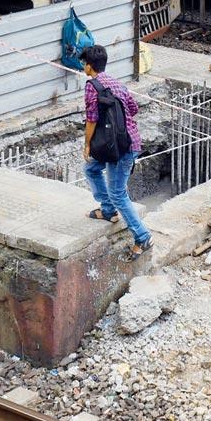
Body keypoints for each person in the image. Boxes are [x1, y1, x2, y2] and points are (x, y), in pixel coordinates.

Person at [80, 44, 152, 261]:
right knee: (92, 169)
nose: (83, 67)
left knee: (118, 193)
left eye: (84, 64)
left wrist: (87, 144)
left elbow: (91, 118)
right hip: (127, 141)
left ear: (90, 66)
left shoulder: (92, 86)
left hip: (120, 148)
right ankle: (108, 210)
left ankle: (142, 236)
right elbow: (133, 109)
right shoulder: (117, 83)